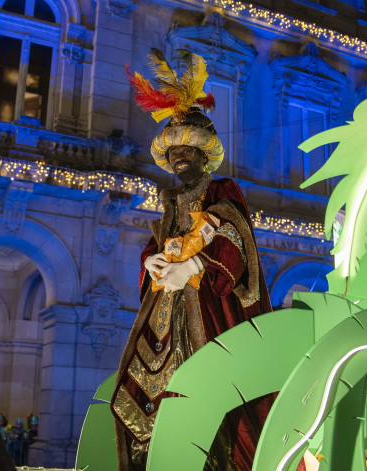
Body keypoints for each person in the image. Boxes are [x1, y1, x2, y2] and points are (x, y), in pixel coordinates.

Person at [113, 50, 272, 470]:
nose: (180, 154)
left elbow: (234, 234)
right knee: (151, 393)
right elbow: (160, 242)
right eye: (174, 149)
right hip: (165, 316)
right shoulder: (169, 203)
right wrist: (151, 262)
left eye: (189, 147)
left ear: (204, 155)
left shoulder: (223, 191)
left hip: (209, 311)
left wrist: (196, 266)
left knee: (213, 398)